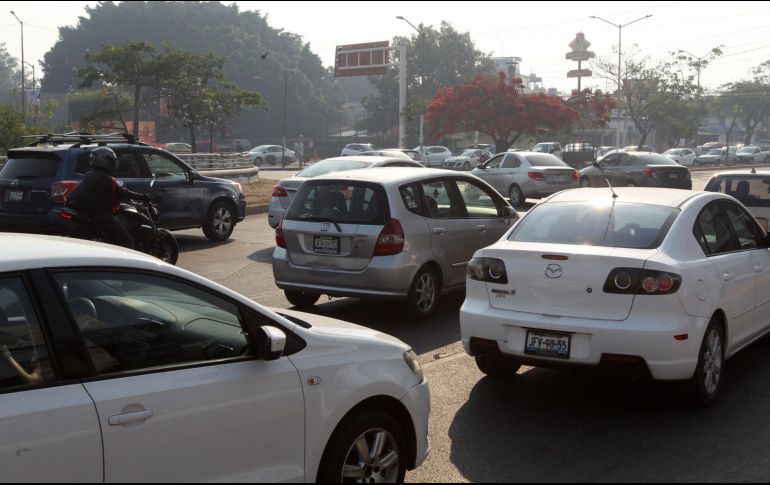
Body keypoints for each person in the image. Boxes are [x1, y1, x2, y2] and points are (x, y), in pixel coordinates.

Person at [68, 147, 149, 249]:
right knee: (128, 242)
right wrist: (143, 196)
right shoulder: (104, 177)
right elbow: (123, 192)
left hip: (90, 213)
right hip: (102, 216)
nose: (113, 163)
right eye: (111, 161)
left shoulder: (90, 174)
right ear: (104, 161)